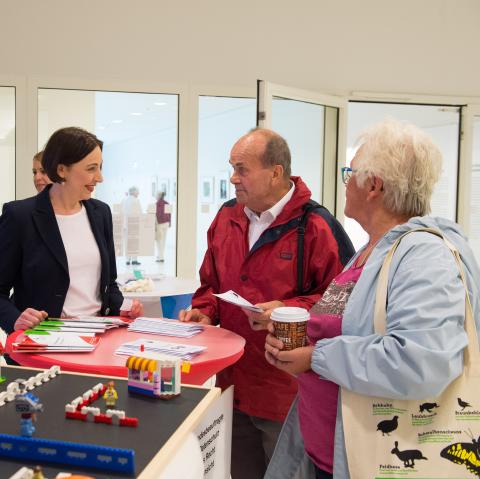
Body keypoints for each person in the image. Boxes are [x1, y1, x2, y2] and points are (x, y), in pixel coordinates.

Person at [264, 119, 480, 479]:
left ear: (373, 185)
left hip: (375, 462)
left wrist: (314, 357)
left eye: (350, 173)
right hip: (330, 453)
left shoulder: (424, 255)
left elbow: (421, 361)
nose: (346, 183)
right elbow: (352, 327)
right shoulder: (373, 250)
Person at [179, 128, 354, 479]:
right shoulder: (226, 218)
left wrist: (291, 309)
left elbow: (345, 301)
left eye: (242, 169)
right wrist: (205, 312)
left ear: (275, 172)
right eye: (232, 167)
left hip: (287, 392)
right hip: (232, 385)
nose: (233, 178)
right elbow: (211, 284)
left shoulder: (317, 227)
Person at [0, 127, 142, 335]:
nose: (100, 177)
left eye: (100, 167)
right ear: (62, 170)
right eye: (91, 168)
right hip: (43, 340)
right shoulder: (20, 216)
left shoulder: (101, 212)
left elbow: (108, 284)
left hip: (98, 336)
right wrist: (16, 321)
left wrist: (125, 307)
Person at [122, 186, 142, 265]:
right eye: (137, 192)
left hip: (125, 225)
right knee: (134, 243)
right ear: (133, 192)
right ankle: (134, 260)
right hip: (134, 224)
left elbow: (122, 212)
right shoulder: (136, 201)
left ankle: (127, 260)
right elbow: (140, 213)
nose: (138, 193)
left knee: (127, 242)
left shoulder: (124, 200)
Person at [154, 191, 171, 262]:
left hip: (159, 224)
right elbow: (169, 214)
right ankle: (160, 255)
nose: (155, 196)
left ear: (159, 196)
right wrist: (170, 222)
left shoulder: (156, 204)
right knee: (163, 240)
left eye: (156, 195)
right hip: (166, 223)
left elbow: (155, 215)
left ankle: (161, 257)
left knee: (159, 241)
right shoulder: (167, 203)